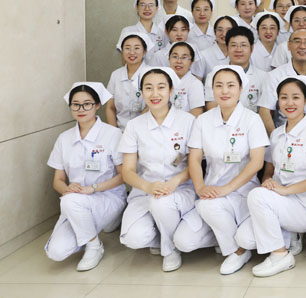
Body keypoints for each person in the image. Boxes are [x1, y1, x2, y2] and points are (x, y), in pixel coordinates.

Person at [173, 65, 270, 275]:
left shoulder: (252, 120)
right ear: (212, 90)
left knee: (211, 209)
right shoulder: (203, 120)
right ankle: (228, 236)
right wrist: (200, 187)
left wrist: (227, 188)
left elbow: (257, 162)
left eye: (230, 85)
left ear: (241, 89)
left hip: (242, 192)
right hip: (211, 190)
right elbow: (194, 159)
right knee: (183, 242)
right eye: (219, 86)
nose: (224, 91)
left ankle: (237, 251)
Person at [242, 76, 306, 277]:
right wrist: (268, 181)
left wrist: (285, 190)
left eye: (296, 97)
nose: (289, 103)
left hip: (304, 205)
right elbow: (269, 170)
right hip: (280, 201)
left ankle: (280, 255)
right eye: (284, 97)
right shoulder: (276, 134)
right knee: (244, 239)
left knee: (256, 196)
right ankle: (286, 234)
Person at [118, 67, 196, 272]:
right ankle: (162, 235)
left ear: (171, 91)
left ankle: (170, 250)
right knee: (133, 238)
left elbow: (196, 164)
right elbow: (127, 171)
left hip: (181, 188)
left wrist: (174, 182)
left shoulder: (188, 121)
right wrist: (148, 186)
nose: (155, 94)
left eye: (161, 87)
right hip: (146, 190)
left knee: (162, 203)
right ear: (142, 92)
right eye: (148, 88)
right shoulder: (134, 126)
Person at [45, 83, 126, 271]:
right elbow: (57, 181)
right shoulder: (64, 138)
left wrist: (93, 189)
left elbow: (124, 176)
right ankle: (89, 232)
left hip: (107, 197)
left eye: (87, 104)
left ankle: (94, 246)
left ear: (97, 105)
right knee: (56, 252)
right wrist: (67, 189)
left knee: (69, 201)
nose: (81, 109)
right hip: (76, 201)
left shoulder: (112, 134)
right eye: (76, 104)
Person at [259, 29, 306, 133]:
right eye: (297, 41)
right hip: (286, 134)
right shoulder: (275, 76)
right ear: (289, 46)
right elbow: (265, 111)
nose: (302, 46)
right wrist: (275, 138)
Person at [204, 27, 267, 114]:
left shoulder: (263, 77)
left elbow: (265, 112)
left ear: (252, 48)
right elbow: (212, 109)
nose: (239, 50)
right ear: (227, 48)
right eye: (233, 45)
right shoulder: (213, 75)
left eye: (243, 45)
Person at [106, 31, 154, 130]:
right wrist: (114, 132)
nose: (132, 52)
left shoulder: (152, 74)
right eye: (127, 48)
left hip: (145, 130)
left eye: (137, 48)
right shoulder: (116, 75)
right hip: (119, 131)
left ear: (145, 51)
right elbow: (110, 108)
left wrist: (133, 131)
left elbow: (151, 106)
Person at [148, 15, 205, 79]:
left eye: (183, 30)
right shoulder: (158, 56)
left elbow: (198, 77)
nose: (179, 34)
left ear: (188, 31)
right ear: (166, 31)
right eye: (174, 30)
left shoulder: (195, 52)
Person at [168, 42, 205, 117]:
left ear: (191, 61)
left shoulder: (195, 84)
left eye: (184, 58)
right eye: (175, 56)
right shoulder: (163, 80)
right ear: (169, 59)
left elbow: (196, 114)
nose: (179, 61)